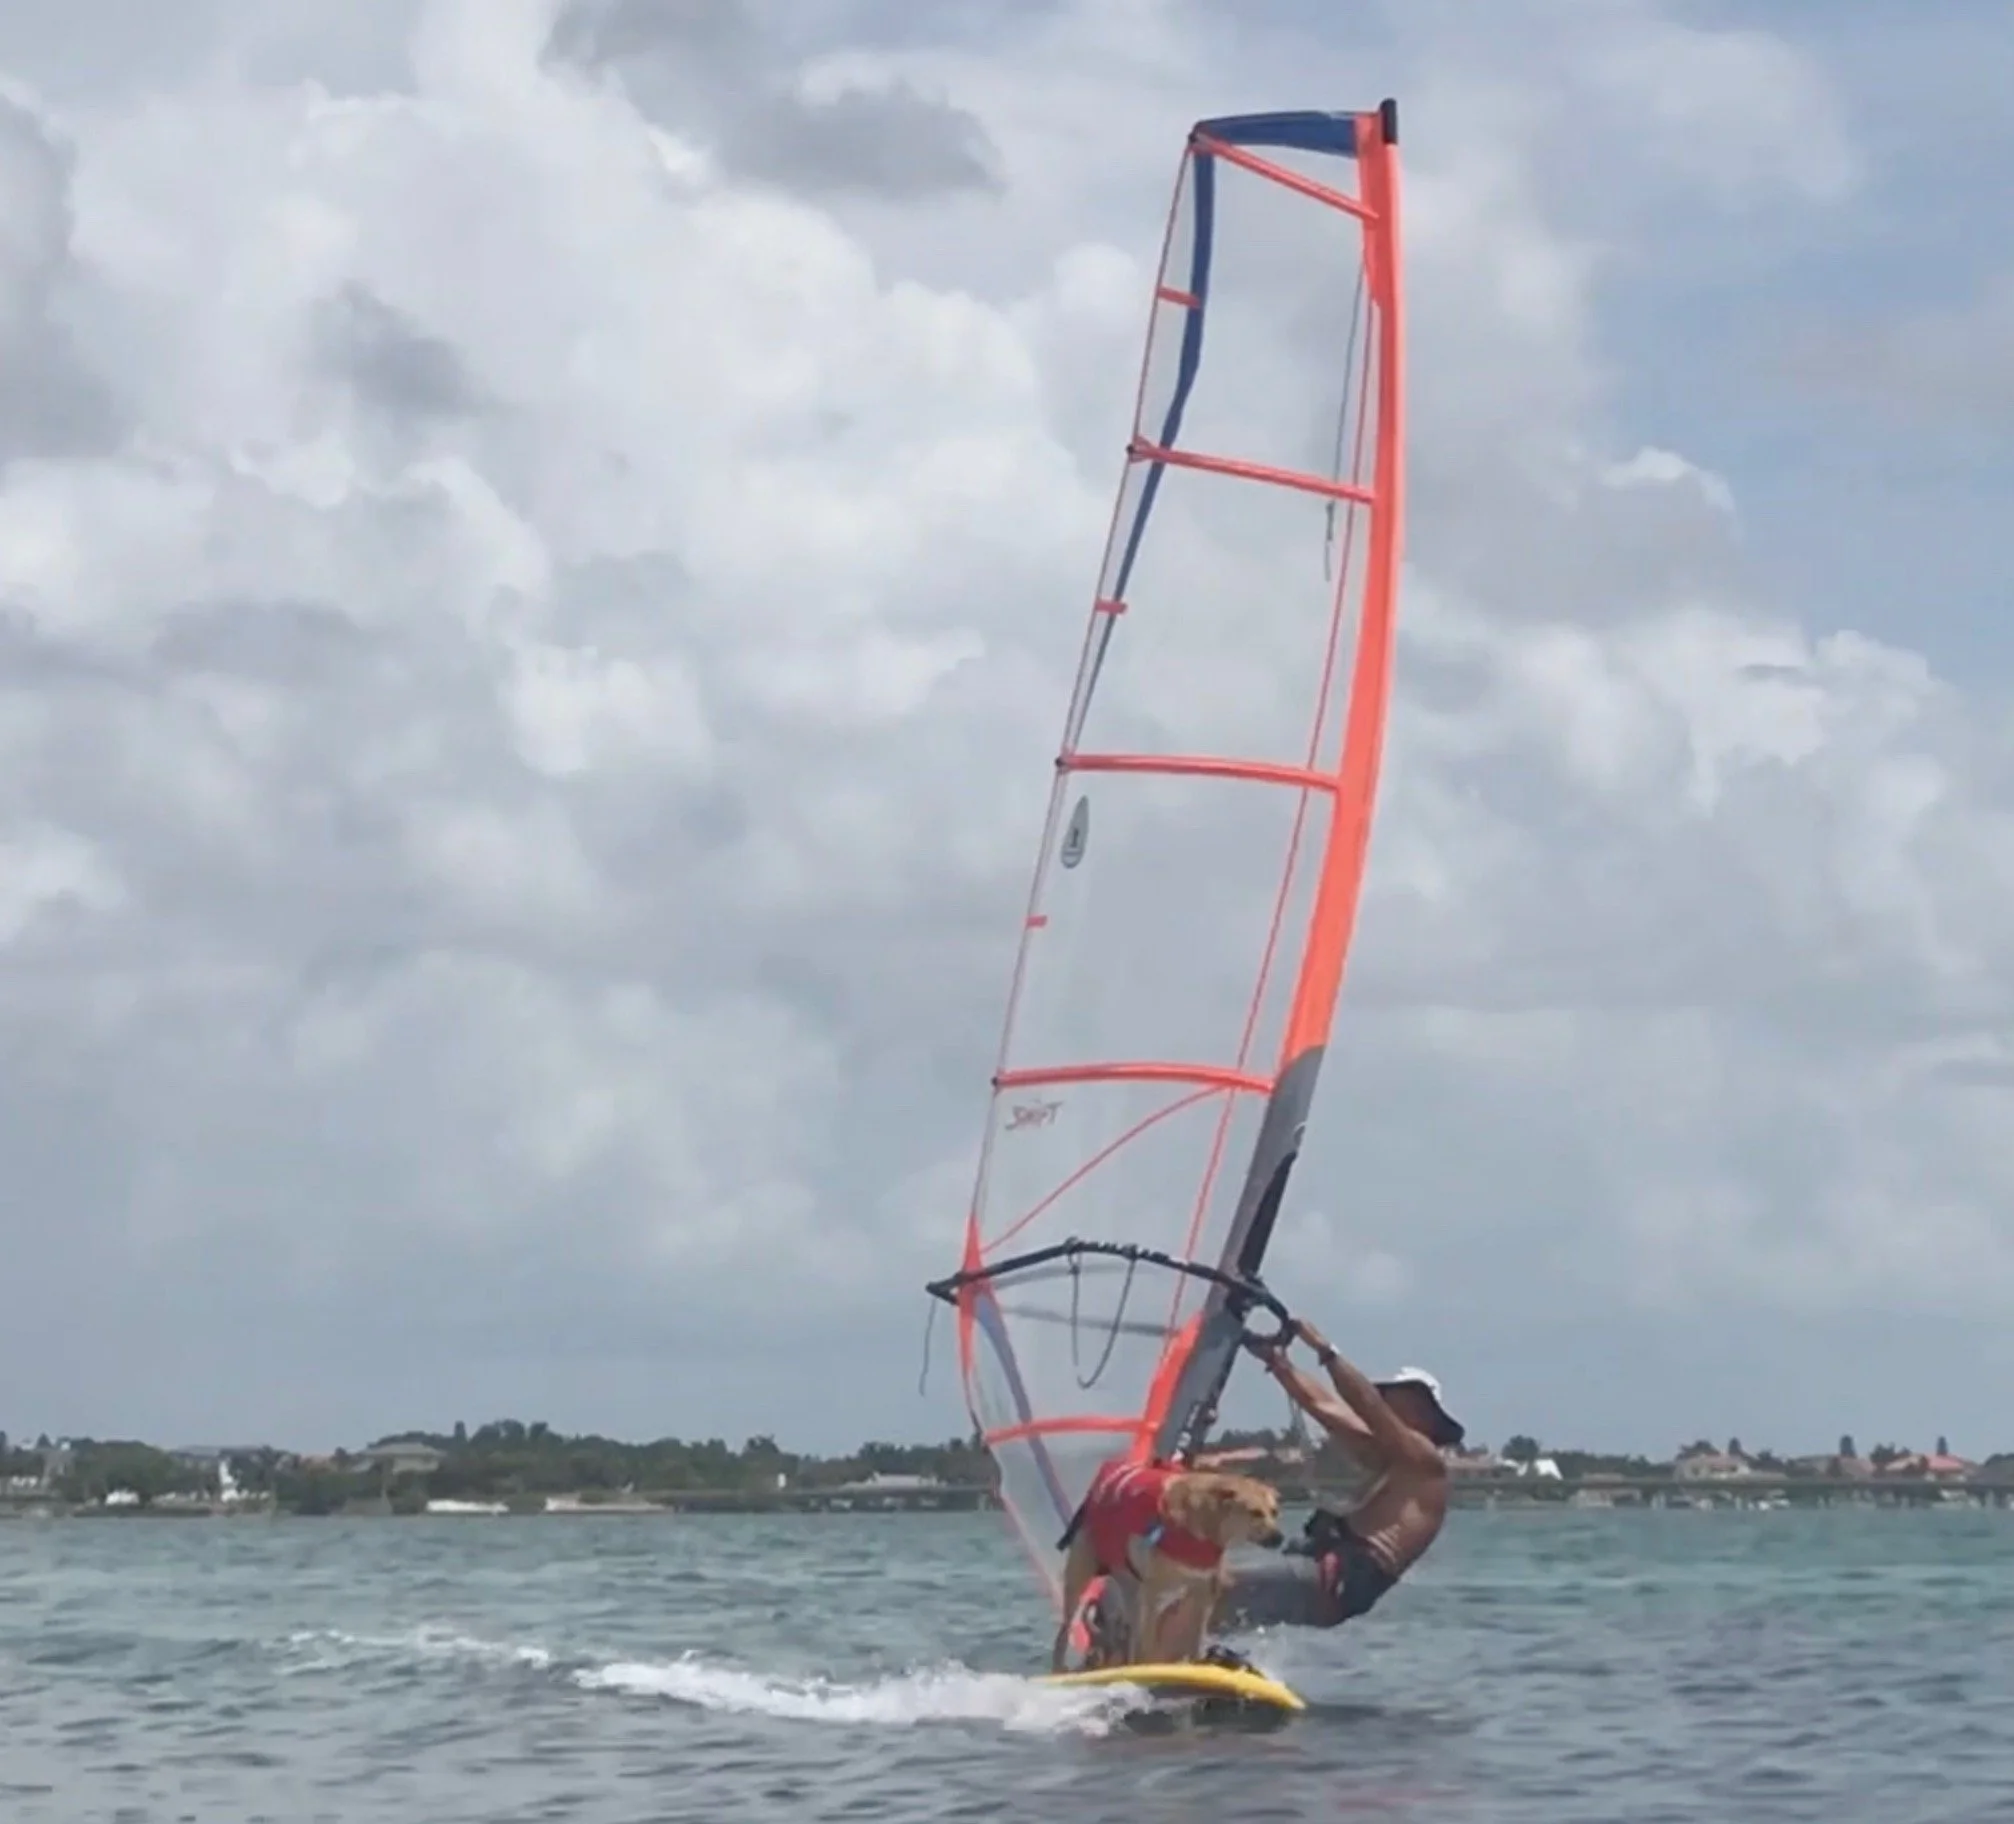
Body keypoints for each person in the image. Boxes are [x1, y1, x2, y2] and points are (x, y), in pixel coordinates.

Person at [1210, 1318, 1463, 1633]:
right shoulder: (1382, 1453)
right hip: (1321, 1572)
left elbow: (1367, 1404)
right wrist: (1277, 1361)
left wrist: (1323, 1349)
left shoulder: (1426, 1464)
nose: (1387, 1402)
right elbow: (1322, 1404)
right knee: (1204, 1577)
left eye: (1399, 1397)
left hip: (1332, 1580)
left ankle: (1168, 1643)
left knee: (1212, 1585)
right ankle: (1182, 1654)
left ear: (1425, 1413)